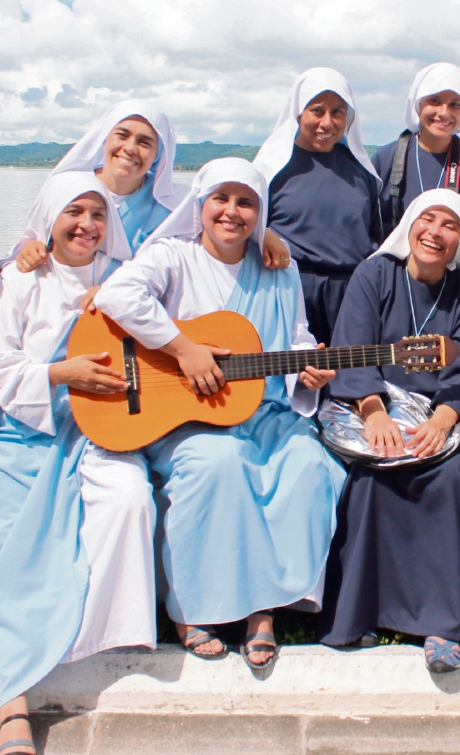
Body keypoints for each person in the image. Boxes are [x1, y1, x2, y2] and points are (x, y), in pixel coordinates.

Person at [94, 158, 346, 672]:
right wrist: (183, 349)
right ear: (200, 205)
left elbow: (296, 337)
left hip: (263, 410)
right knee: (218, 464)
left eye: (246, 202)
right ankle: (194, 608)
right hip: (186, 416)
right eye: (221, 199)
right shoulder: (171, 255)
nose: (232, 212)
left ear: (261, 212)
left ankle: (263, 608)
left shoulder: (279, 268)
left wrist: (308, 371)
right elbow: (117, 294)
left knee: (309, 464)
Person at [0, 172, 156, 755]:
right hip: (17, 431)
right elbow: (0, 367)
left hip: (94, 431)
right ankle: (11, 703)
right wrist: (61, 373)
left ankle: (88, 637)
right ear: (49, 218)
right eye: (74, 212)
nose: (87, 225)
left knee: (130, 496)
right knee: (4, 546)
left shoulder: (122, 280)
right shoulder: (20, 278)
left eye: (98, 215)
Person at [318, 189, 460, 675]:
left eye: (450, 225)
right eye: (427, 219)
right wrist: (374, 414)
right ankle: (364, 614)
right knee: (370, 478)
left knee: (450, 477)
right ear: (409, 224)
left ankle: (444, 621)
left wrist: (442, 420)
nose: (435, 233)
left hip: (439, 414)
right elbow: (351, 347)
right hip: (372, 407)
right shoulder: (374, 274)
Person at [12, 100, 291, 270]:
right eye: (122, 135)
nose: (130, 148)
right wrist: (29, 249)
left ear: (160, 153)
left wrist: (262, 233)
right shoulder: (66, 189)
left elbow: (222, 223)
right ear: (104, 138)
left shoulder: (175, 203)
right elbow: (33, 240)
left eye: (145, 142)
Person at [253, 67, 383, 343]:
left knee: (351, 370)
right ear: (299, 112)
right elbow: (246, 227)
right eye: (317, 111)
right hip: (290, 291)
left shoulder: (361, 171)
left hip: (351, 294)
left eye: (337, 112)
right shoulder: (272, 168)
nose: (327, 122)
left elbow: (374, 235)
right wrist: (263, 233)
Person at [372, 62, 460, 269]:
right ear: (418, 103)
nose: (444, 112)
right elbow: (370, 226)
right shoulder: (387, 158)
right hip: (394, 273)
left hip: (456, 275)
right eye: (435, 101)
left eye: (455, 104)